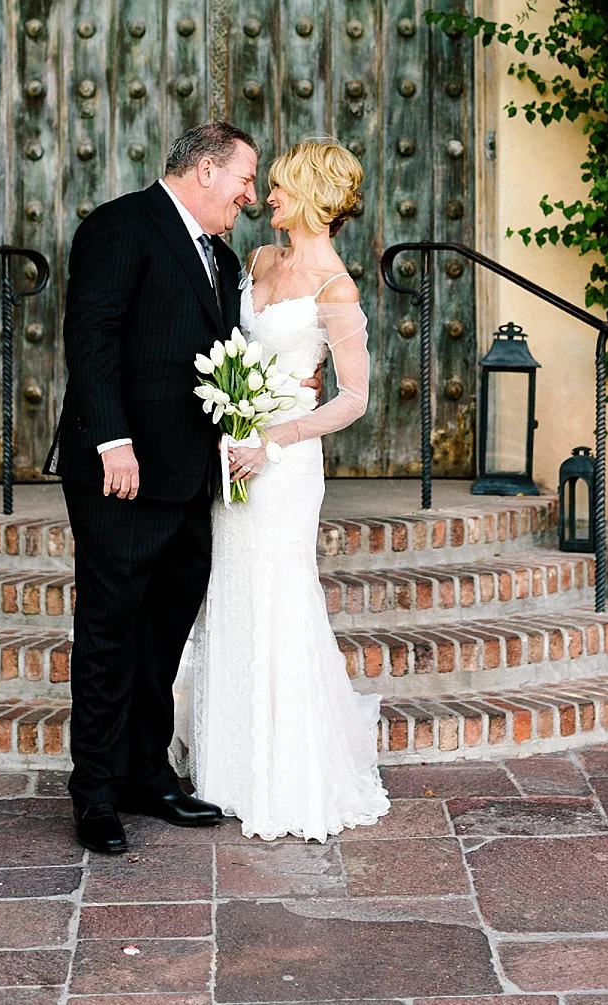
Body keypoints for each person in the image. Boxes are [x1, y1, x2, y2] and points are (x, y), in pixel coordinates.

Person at [174, 137, 388, 841]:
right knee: (230, 593)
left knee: (277, 596)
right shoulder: (260, 260)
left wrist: (274, 439)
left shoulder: (336, 289)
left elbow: (353, 397)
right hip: (232, 448)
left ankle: (284, 771)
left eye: (280, 186)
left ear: (313, 195)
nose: (266, 196)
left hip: (283, 462)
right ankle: (228, 765)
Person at [56, 120, 259, 854]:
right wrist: (113, 441)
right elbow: (92, 337)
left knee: (162, 635)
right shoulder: (119, 226)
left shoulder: (222, 258)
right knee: (109, 634)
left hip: (190, 481)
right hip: (122, 476)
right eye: (244, 179)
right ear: (205, 170)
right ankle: (94, 790)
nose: (250, 195)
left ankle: (146, 772)